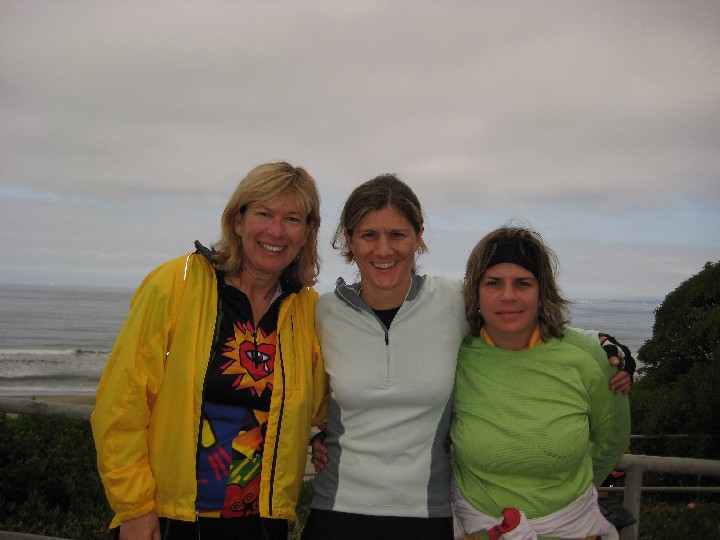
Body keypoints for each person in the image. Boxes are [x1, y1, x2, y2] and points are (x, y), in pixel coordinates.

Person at [303, 175, 633, 540]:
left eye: (397, 234)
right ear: (349, 239)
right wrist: (318, 434)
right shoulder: (325, 313)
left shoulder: (452, 302)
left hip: (427, 512)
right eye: (369, 235)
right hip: (336, 508)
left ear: (419, 237)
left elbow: (516, 317)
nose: (384, 250)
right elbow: (304, 390)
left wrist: (606, 345)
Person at [91, 161, 327, 540]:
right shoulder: (176, 285)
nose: (276, 230)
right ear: (238, 220)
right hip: (169, 519)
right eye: (264, 214)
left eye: (293, 219)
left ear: (307, 232)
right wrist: (134, 508)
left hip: (262, 524)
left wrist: (328, 438)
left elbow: (326, 403)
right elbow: (120, 406)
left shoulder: (309, 311)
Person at [450, 226, 631, 540]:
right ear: (475, 292)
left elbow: (612, 440)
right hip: (475, 529)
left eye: (523, 283)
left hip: (572, 528)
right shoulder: (456, 357)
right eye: (493, 283)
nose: (508, 295)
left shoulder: (590, 359)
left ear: (542, 291)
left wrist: (562, 497)